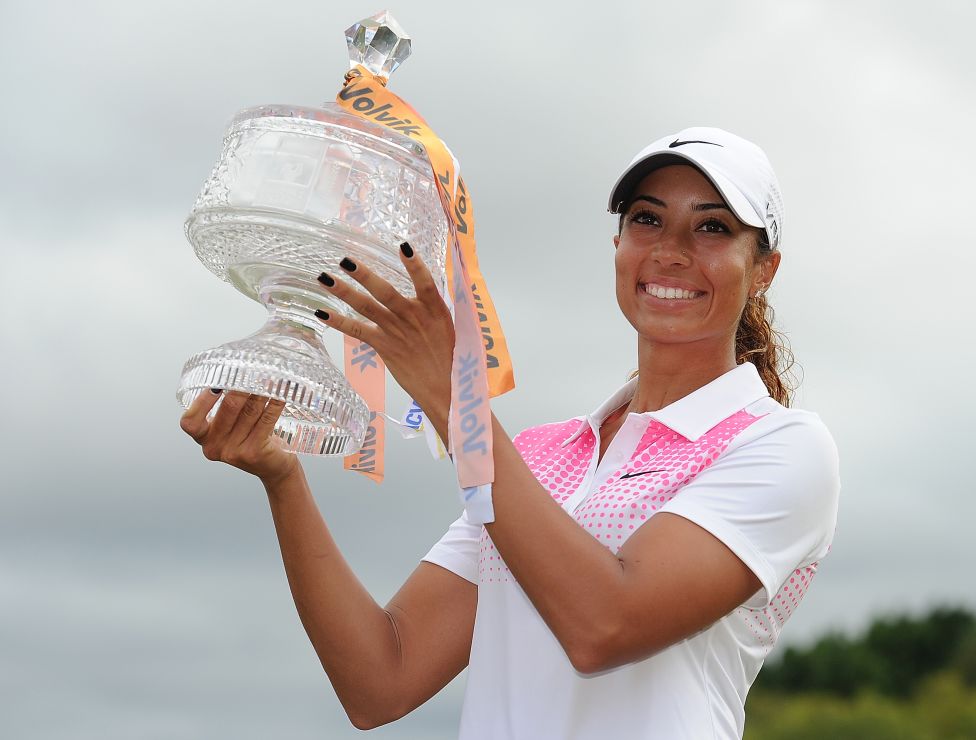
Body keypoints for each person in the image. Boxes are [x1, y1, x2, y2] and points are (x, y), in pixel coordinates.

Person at [179, 126, 840, 739]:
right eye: (647, 219)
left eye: (712, 228)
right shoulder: (539, 455)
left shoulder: (782, 448)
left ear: (763, 270)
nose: (670, 251)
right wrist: (283, 479)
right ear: (618, 245)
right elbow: (380, 679)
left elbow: (604, 625)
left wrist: (451, 397)